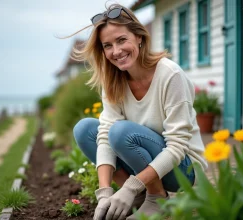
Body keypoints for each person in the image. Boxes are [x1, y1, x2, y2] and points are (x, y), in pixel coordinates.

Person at [72, 3, 208, 220]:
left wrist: (131, 186)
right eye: (107, 45)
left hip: (183, 169)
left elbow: (178, 147)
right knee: (85, 129)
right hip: (144, 160)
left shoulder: (170, 75)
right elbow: (105, 136)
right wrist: (104, 193)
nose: (116, 51)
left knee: (120, 132)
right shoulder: (113, 80)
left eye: (121, 40)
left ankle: (156, 198)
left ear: (139, 37)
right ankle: (138, 196)